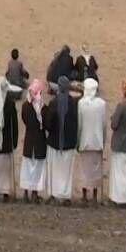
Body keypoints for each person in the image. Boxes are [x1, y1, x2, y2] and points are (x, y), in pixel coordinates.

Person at [44, 75, 78, 204]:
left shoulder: (54, 102)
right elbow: (76, 123)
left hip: (54, 142)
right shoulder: (73, 103)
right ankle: (65, 195)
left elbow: (48, 123)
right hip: (68, 143)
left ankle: (53, 194)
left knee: (54, 169)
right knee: (66, 171)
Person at [76, 77, 106, 204]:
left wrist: (78, 141)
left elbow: (80, 125)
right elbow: (103, 125)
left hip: (84, 140)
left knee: (84, 170)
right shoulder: (101, 104)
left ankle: (84, 195)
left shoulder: (81, 103)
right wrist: (103, 140)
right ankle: (94, 195)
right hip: (97, 141)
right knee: (96, 170)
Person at [20, 78, 48, 202]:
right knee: (37, 168)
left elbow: (24, 120)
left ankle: (26, 193)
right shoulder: (43, 108)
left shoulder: (25, 106)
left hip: (29, 140)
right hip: (39, 141)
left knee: (27, 167)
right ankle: (35, 193)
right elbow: (46, 123)